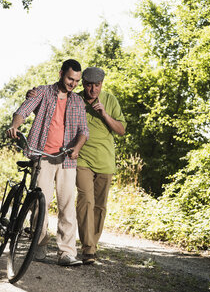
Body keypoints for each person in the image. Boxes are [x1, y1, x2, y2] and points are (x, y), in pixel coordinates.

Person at [7, 59, 89, 266]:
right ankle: (39, 245)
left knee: (67, 205)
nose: (73, 84)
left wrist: (77, 148)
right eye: (70, 78)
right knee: (39, 204)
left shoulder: (78, 102)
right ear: (61, 73)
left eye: (77, 81)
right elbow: (22, 111)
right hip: (42, 156)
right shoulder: (42, 92)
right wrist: (15, 126)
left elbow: (83, 131)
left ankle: (67, 253)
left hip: (67, 160)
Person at [76, 67, 126, 265]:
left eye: (97, 85)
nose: (93, 89)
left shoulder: (110, 100)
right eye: (89, 85)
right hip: (82, 158)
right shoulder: (75, 100)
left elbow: (121, 130)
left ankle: (92, 246)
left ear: (102, 85)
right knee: (85, 200)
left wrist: (105, 114)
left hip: (105, 161)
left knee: (100, 206)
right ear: (84, 84)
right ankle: (88, 248)